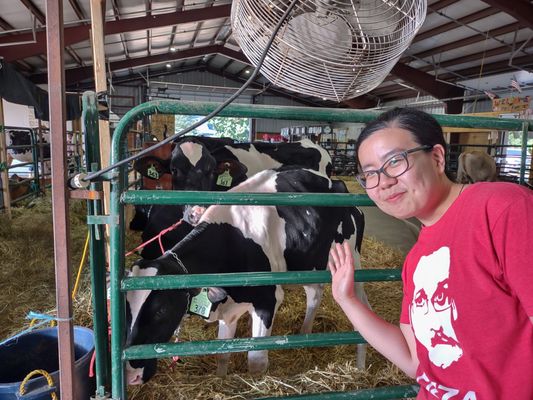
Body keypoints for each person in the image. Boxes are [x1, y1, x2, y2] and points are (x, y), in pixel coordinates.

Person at [328, 107, 533, 399]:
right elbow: (415, 360)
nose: (383, 181)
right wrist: (347, 301)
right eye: (370, 174)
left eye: (395, 162)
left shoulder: (502, 208)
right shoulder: (417, 259)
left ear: (436, 158)